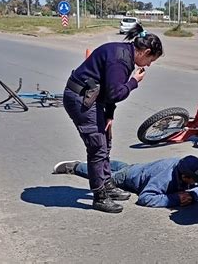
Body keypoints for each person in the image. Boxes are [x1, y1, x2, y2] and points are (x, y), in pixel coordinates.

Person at [62, 24, 164, 213]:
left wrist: (109, 114)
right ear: (145, 51)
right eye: (151, 59)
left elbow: (108, 90)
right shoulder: (121, 60)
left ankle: (106, 183)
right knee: (97, 146)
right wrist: (134, 82)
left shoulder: (125, 53)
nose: (149, 65)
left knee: (105, 142)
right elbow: (116, 92)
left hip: (92, 97)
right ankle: (99, 196)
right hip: (81, 99)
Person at [52, 156, 198, 208]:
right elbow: (145, 198)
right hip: (130, 178)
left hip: (140, 169)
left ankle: (101, 160)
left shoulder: (185, 167)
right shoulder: (165, 178)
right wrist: (174, 199)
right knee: (107, 176)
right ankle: (76, 166)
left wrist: (193, 195)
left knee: (122, 167)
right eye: (192, 181)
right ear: (184, 177)